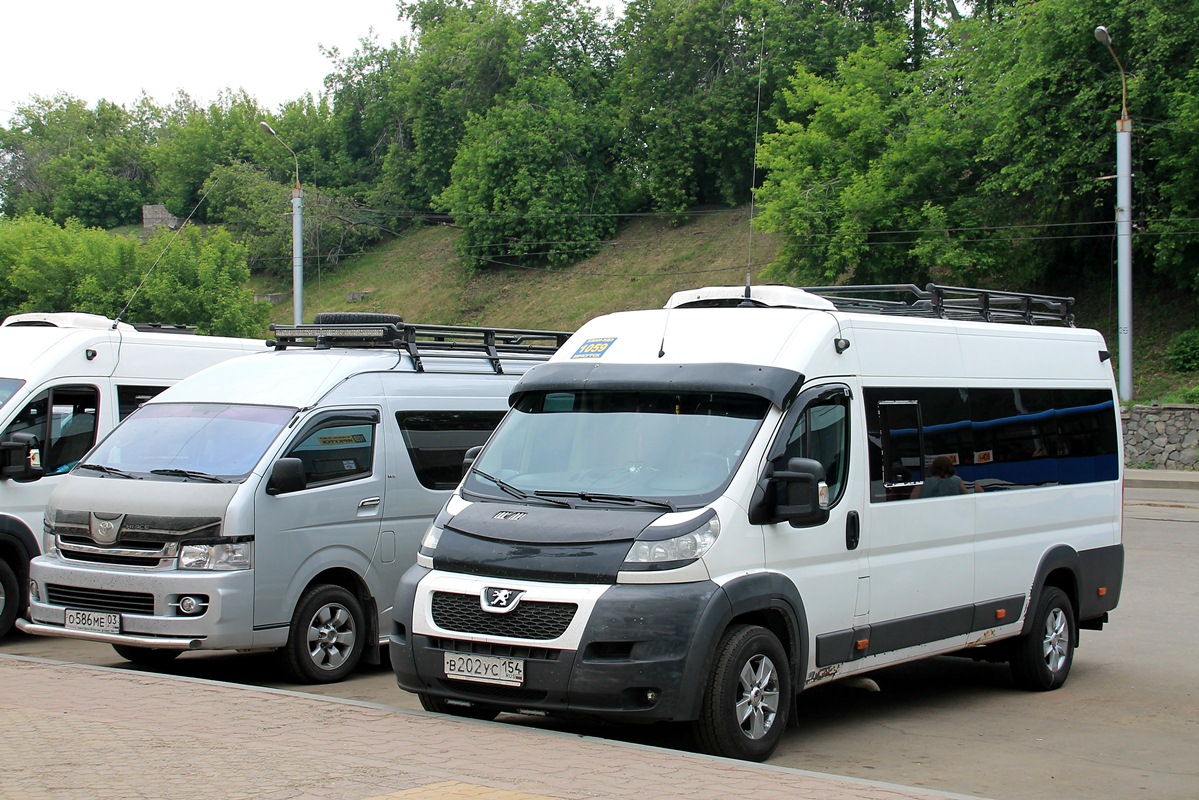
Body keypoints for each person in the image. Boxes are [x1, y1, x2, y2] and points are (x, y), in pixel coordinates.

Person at [910, 455, 975, 498]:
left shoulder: (922, 483)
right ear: (950, 467)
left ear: (933, 467)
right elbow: (967, 497)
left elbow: (912, 500)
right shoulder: (957, 480)